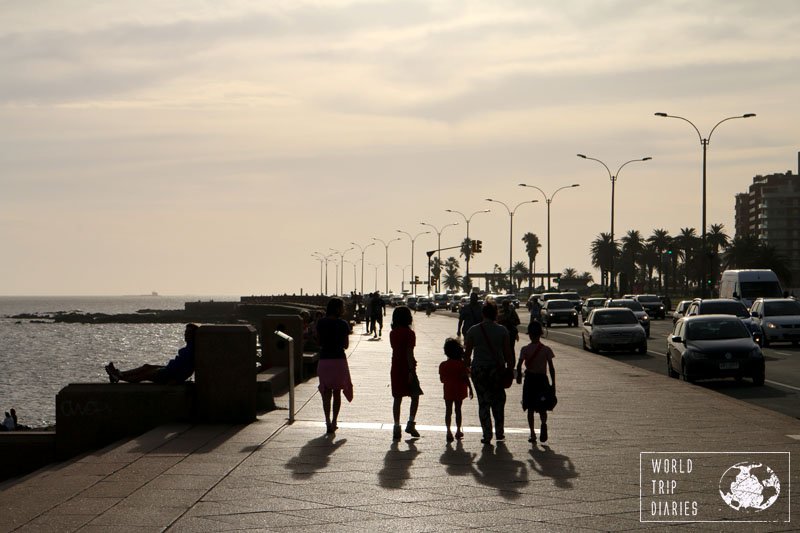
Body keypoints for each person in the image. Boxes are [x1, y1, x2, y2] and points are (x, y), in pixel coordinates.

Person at [464, 302, 514, 444]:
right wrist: (510, 370)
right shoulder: (502, 331)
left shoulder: (473, 330)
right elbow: (508, 354)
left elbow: (467, 354)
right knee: (498, 401)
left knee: (483, 402)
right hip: (496, 370)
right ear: (495, 314)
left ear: (483, 314)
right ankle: (499, 432)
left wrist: (466, 369)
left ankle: (487, 434)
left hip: (479, 370)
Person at [105, 323, 199, 384]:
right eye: (185, 332)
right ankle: (119, 373)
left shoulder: (191, 350)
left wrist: (176, 380)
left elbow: (186, 369)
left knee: (144, 375)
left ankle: (118, 377)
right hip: (168, 370)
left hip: (169, 374)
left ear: (194, 335)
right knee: (146, 367)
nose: (186, 334)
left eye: (189, 333)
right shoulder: (189, 348)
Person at [316, 297, 354, 434]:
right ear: (338, 309)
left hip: (324, 359)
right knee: (337, 392)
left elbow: (319, 342)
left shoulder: (321, 323)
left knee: (326, 392)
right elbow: (346, 345)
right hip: (339, 360)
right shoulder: (343, 324)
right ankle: (334, 421)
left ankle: (327, 421)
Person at [516, 320, 556, 444]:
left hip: (530, 380)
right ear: (540, 334)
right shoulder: (546, 350)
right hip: (542, 380)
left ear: (529, 335)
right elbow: (551, 368)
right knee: (542, 406)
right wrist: (553, 383)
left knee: (530, 407)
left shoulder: (525, 349)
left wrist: (518, 377)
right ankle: (543, 423)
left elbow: (519, 365)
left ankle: (532, 433)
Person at [389, 305, 422, 440]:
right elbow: (409, 353)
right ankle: (410, 422)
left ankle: (396, 426)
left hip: (396, 366)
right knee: (415, 395)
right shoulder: (410, 334)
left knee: (397, 398)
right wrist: (410, 370)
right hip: (407, 367)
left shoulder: (393, 333)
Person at [439, 338, 473, 442]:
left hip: (448, 389)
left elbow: (442, 379)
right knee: (458, 410)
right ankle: (458, 430)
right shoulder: (462, 364)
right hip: (460, 389)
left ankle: (448, 431)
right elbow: (466, 377)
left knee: (448, 411)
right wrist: (470, 388)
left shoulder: (443, 365)